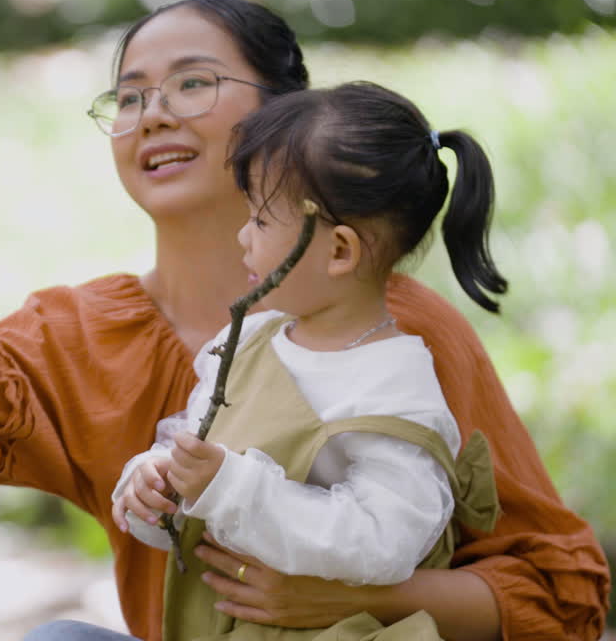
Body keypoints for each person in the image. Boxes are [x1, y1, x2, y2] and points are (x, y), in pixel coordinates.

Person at [0, 0, 610, 640]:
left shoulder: (399, 332)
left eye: (193, 83)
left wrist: (358, 590)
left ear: (287, 119)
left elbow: (558, 587)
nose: (152, 111)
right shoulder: (98, 333)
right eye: (128, 96)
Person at [110, 80, 506, 640]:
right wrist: (156, 489)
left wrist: (232, 488)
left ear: (340, 251)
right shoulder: (246, 342)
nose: (242, 236)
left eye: (263, 220)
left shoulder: (395, 386)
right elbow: (189, 453)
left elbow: (382, 541)